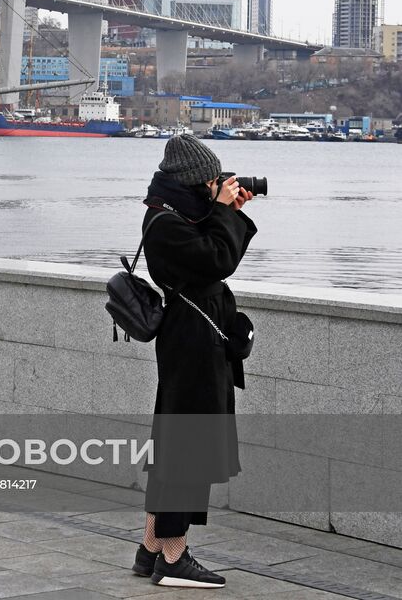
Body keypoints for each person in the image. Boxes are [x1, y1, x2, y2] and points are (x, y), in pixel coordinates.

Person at [131, 133, 256, 589]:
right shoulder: (164, 222)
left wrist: (228, 210)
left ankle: (150, 549)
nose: (214, 186)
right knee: (188, 448)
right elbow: (217, 260)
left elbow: (215, 255)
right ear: (192, 180)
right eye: (210, 181)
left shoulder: (176, 212)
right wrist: (223, 212)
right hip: (192, 342)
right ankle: (174, 557)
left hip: (196, 337)